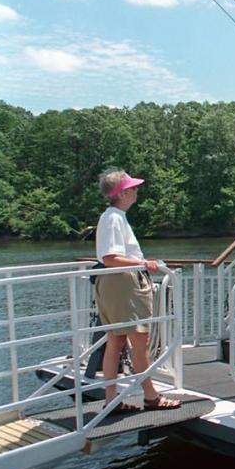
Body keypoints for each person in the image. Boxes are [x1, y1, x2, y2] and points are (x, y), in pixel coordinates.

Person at [95, 168, 180, 413]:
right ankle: (151, 397)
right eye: (132, 188)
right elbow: (110, 258)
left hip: (116, 283)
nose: (136, 191)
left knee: (116, 340)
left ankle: (112, 400)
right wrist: (144, 263)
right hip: (122, 283)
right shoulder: (113, 218)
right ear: (121, 193)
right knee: (138, 341)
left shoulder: (113, 216)